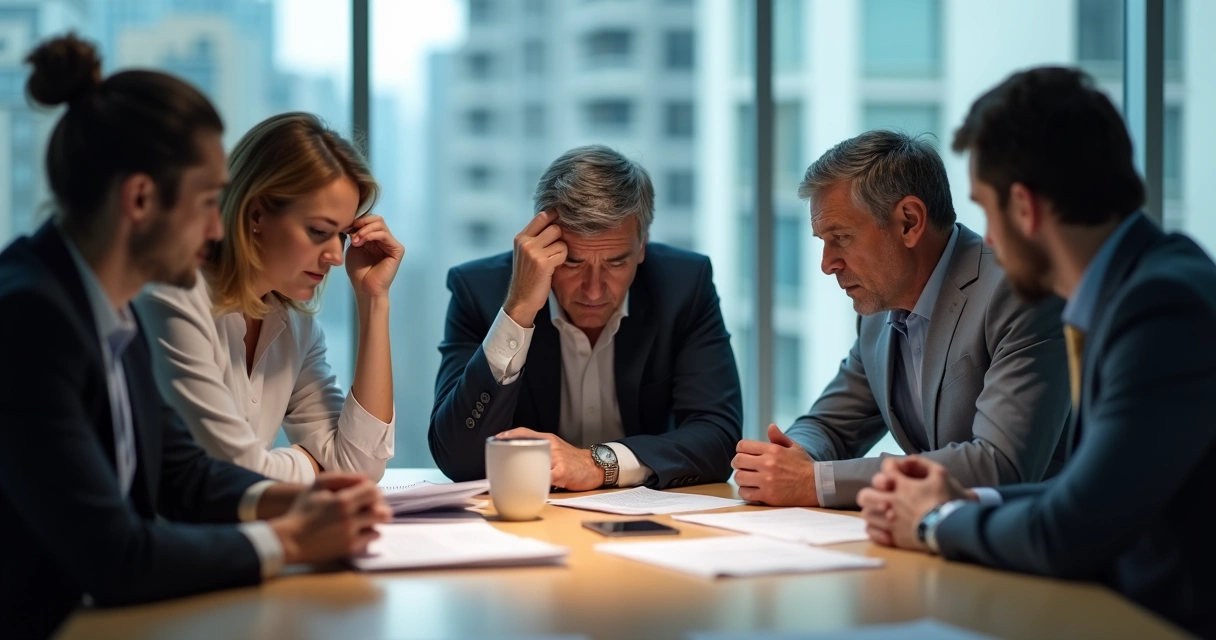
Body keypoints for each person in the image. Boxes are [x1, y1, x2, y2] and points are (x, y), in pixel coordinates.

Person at [0, 35, 389, 639]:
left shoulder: (103, 309)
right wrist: (288, 539)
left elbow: (184, 471)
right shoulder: (30, 319)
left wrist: (296, 502)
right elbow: (116, 555)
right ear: (140, 199)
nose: (217, 228)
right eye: (210, 202)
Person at [857, 67, 1216, 637]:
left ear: (1024, 207)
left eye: (986, 210)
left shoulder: (1160, 310)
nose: (989, 242)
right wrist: (970, 496)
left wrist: (935, 520)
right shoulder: (1145, 284)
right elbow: (1090, 489)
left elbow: (1072, 530)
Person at [733, 130, 1071, 509]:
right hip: (932, 539)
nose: (827, 264)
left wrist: (817, 481)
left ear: (909, 222)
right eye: (822, 242)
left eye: (841, 237)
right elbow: (830, 426)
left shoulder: (1020, 292)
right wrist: (788, 457)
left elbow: (999, 463)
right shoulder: (880, 312)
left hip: (1039, 550)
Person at [430, 145, 742, 490]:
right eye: (572, 263)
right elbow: (457, 458)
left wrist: (598, 464)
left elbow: (717, 437)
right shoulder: (480, 292)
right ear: (541, 245)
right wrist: (517, 312)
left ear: (642, 246)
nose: (593, 291)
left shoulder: (683, 285)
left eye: (616, 263)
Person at [135, 112, 402, 483]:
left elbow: (360, 468)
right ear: (257, 212)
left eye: (342, 235)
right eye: (319, 231)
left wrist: (374, 302)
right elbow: (232, 474)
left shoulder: (298, 329)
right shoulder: (174, 301)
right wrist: (312, 463)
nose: (337, 258)